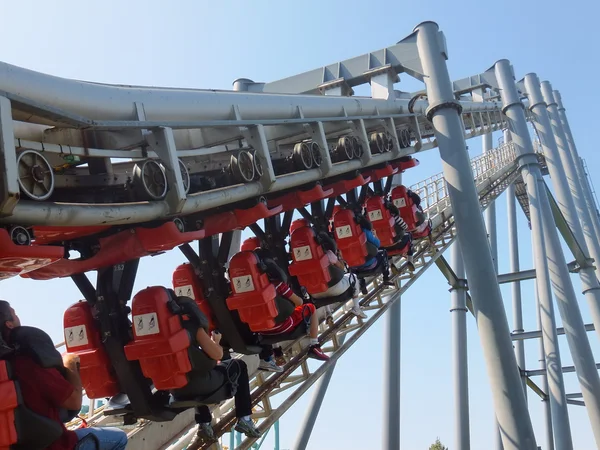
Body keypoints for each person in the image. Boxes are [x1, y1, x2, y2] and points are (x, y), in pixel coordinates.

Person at [0, 300, 128, 450]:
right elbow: (73, 402)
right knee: (119, 438)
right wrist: (71, 364)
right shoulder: (28, 365)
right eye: (14, 314)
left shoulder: (5, 371)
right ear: (9, 324)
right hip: (57, 446)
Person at [171, 312, 261, 445]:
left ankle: (204, 423)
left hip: (175, 391)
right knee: (238, 366)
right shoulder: (189, 325)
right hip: (200, 385)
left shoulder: (152, 335)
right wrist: (216, 341)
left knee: (191, 376)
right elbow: (216, 354)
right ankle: (245, 418)